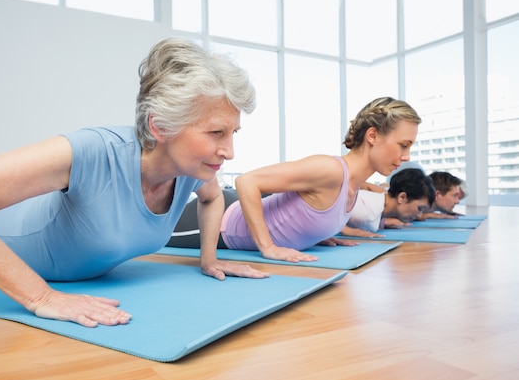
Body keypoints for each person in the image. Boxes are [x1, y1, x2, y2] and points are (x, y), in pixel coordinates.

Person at [0, 37, 269, 328]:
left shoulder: (192, 171)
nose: (229, 151)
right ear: (160, 126)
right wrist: (42, 297)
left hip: (67, 267)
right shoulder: (94, 150)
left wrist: (208, 259)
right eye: (217, 132)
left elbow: (211, 198)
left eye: (234, 131)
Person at [167, 96, 422, 263]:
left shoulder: (352, 185)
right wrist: (267, 247)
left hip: (233, 213)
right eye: (403, 144)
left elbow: (304, 212)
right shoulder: (330, 169)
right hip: (221, 223)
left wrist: (317, 233)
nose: (406, 155)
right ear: (373, 135)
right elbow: (247, 182)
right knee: (152, 239)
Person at [339, 168, 436, 238]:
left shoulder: (377, 208)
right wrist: (343, 229)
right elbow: (328, 202)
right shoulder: (365, 211)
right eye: (419, 208)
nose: (419, 215)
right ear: (402, 197)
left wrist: (382, 222)